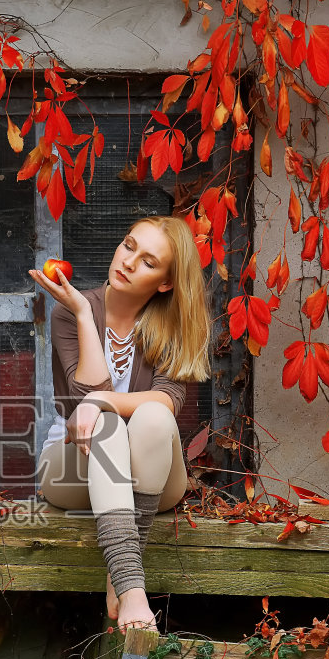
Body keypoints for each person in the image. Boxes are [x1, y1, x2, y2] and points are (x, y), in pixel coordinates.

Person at [31, 216, 212, 633]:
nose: (129, 262)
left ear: (166, 283)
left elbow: (167, 401)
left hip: (152, 474)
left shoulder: (173, 326)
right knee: (107, 428)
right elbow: (80, 407)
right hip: (71, 467)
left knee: (152, 415)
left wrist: (102, 399)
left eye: (148, 262)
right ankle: (132, 590)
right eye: (129, 246)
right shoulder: (69, 311)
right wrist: (80, 311)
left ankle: (121, 576)